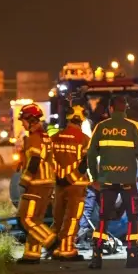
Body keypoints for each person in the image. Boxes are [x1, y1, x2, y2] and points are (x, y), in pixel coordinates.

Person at [85, 95, 138, 269]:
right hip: (128, 181)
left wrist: (94, 178)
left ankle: (96, 257)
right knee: (133, 217)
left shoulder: (101, 127)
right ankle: (132, 256)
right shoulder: (133, 126)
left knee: (103, 218)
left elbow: (90, 154)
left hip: (107, 181)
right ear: (125, 109)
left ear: (111, 109)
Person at [15, 103, 57, 264]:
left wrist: (24, 182)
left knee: (25, 218)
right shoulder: (45, 136)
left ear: (31, 119)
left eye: (23, 121)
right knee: (36, 219)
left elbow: (34, 160)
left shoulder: (34, 137)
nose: (22, 124)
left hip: (36, 184)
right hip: (46, 184)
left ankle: (51, 241)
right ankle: (32, 255)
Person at [48, 105, 91, 261]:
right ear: (81, 120)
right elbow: (85, 164)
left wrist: (60, 177)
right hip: (76, 186)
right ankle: (67, 249)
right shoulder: (85, 140)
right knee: (72, 218)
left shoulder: (55, 138)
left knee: (58, 218)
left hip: (59, 185)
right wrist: (71, 178)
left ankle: (55, 248)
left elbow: (49, 160)